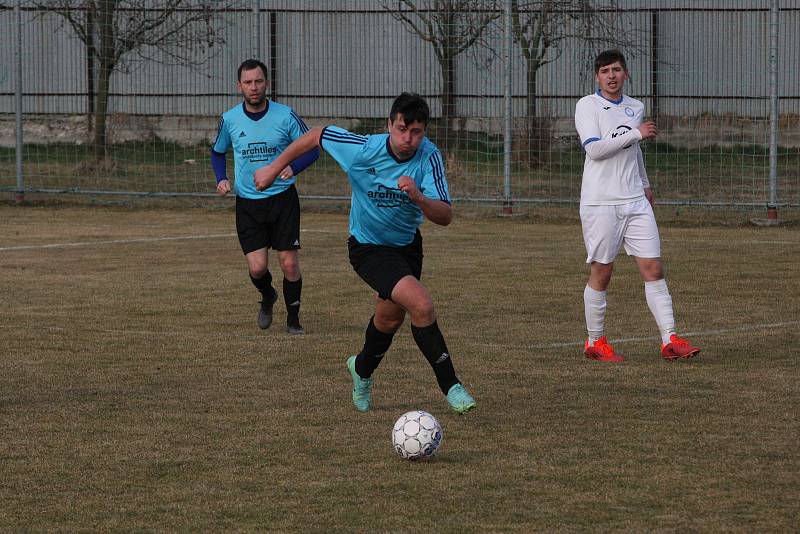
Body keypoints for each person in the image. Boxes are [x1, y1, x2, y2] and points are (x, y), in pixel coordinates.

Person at [253, 92, 477, 414]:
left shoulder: (429, 157)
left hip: (407, 248)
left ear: (424, 132)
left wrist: (419, 198)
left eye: (416, 132)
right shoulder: (364, 149)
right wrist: (274, 168)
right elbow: (317, 135)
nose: (408, 139)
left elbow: (445, 216)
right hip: (367, 248)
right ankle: (452, 386)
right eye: (401, 129)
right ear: (389, 125)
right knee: (421, 304)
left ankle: (361, 369)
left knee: (389, 319)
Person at [575, 49, 701, 362]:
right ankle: (595, 342)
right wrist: (636, 132)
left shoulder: (635, 107)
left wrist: (644, 184)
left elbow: (633, 150)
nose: (612, 76)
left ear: (626, 73)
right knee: (602, 272)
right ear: (597, 76)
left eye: (617, 69)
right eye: (605, 71)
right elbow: (595, 150)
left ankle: (669, 339)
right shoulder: (587, 106)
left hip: (634, 200)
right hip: (600, 202)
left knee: (653, 267)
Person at [211, 59, 319, 335]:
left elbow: (312, 148)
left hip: (283, 200)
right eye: (248, 82)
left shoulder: (286, 116)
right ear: (240, 86)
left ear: (267, 83)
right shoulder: (230, 119)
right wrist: (221, 178)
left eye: (259, 81)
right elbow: (217, 151)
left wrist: (292, 167)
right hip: (248, 204)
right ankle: (268, 295)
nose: (254, 87)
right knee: (258, 268)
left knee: (289, 262)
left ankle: (293, 319)